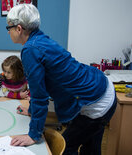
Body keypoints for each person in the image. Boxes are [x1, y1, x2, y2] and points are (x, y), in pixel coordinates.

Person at [6, 4, 117, 155]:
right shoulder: (39, 38)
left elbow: (40, 95)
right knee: (90, 147)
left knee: (66, 148)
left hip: (98, 102)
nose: (8, 32)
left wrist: (33, 135)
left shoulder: (30, 49)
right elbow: (40, 86)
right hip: (102, 87)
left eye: (9, 28)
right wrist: (31, 110)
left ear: (19, 29)